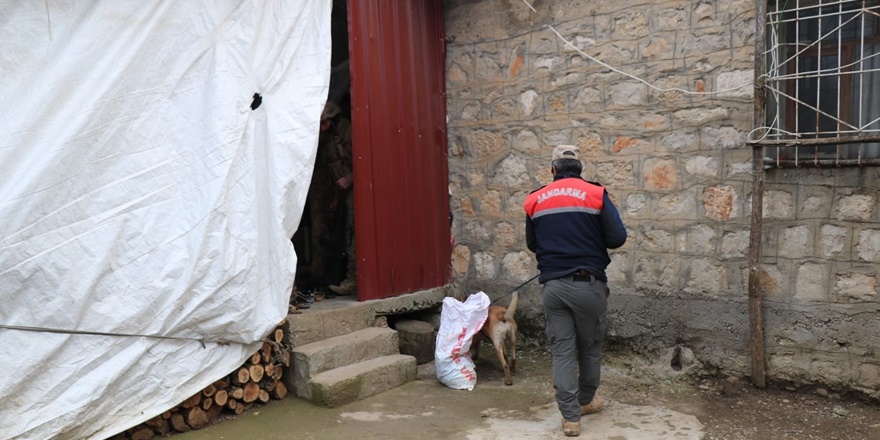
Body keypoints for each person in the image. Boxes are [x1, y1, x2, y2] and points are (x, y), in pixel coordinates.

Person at [523, 145, 627, 437]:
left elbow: (533, 244)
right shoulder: (595, 194)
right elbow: (617, 237)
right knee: (590, 347)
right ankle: (585, 401)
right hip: (588, 285)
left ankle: (570, 419)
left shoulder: (535, 199)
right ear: (580, 169)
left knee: (562, 351)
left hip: (553, 286)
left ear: (553, 170)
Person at [321, 101, 356, 296]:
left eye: (325, 122)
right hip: (343, 192)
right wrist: (336, 197)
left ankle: (352, 280)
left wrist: (350, 179)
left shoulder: (349, 132)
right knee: (343, 233)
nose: (322, 127)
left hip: (355, 190)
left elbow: (363, 159)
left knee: (353, 234)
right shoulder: (332, 137)